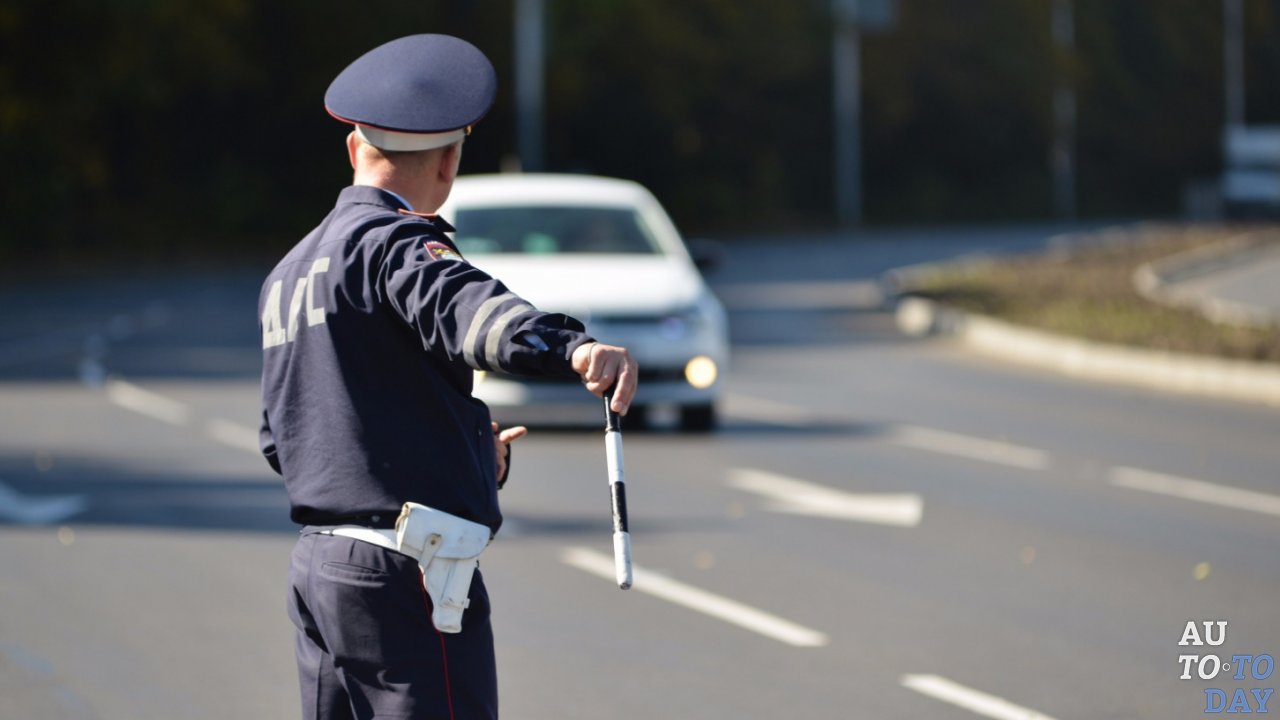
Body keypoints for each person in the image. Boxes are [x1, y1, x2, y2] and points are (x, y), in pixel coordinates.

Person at [258, 34, 637, 720]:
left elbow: (287, 435)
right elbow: (474, 317)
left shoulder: (289, 271)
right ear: (450, 159)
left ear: (354, 149)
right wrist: (573, 349)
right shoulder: (395, 244)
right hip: (404, 578)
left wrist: (459, 451)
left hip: (320, 568)